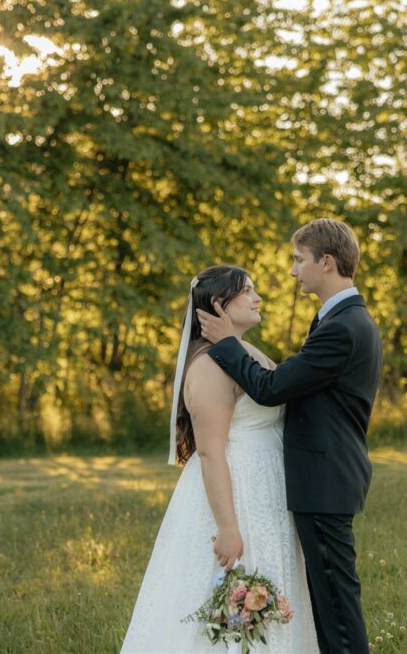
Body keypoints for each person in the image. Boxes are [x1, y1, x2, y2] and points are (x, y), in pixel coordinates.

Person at [196, 219, 382, 654]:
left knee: (337, 611)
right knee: (331, 605)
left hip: (325, 481)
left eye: (299, 260)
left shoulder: (342, 327)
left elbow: (271, 388)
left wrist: (226, 343)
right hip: (327, 479)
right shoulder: (342, 319)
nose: (294, 271)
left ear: (327, 261)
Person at [121, 265, 319, 653]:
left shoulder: (243, 351)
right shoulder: (210, 365)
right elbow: (211, 451)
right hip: (236, 493)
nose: (258, 297)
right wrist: (228, 528)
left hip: (264, 494)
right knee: (228, 612)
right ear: (217, 304)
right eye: (247, 291)